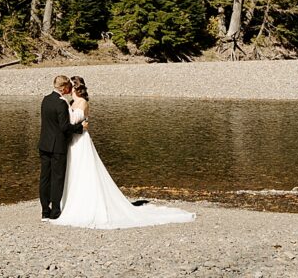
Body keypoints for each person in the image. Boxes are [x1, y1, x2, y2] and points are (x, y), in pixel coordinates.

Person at [50, 75, 196, 230]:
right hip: (72, 141)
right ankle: (70, 201)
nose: (66, 88)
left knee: (84, 170)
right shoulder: (70, 102)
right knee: (72, 171)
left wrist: (72, 125)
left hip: (81, 140)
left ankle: (86, 204)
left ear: (74, 87)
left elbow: (77, 122)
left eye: (69, 86)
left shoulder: (83, 102)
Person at [38, 74, 88, 219]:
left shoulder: (45, 99)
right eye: (68, 87)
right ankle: (55, 212)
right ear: (64, 87)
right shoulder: (61, 103)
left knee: (44, 178)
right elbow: (64, 127)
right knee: (57, 179)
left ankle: (44, 212)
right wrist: (80, 128)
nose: (70, 89)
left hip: (44, 144)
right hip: (57, 146)